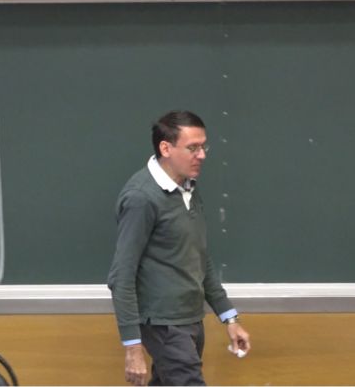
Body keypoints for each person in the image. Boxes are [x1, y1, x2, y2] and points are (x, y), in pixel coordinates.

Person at [107, 110, 251, 386]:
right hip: (164, 324)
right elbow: (121, 276)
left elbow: (198, 255)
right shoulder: (141, 198)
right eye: (192, 148)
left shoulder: (188, 188)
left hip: (191, 318)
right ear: (166, 148)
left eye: (203, 147)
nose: (202, 155)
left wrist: (229, 317)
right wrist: (133, 347)